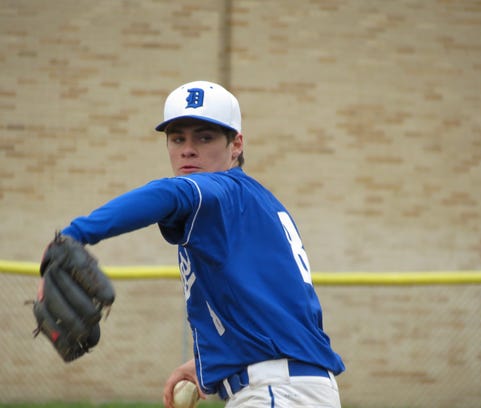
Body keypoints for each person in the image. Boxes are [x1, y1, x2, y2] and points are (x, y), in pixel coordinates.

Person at [40, 80, 345, 407]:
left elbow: (168, 193)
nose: (188, 148)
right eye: (177, 138)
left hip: (277, 393)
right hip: (293, 388)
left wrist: (74, 234)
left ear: (236, 144)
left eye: (205, 137)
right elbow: (273, 318)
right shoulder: (256, 204)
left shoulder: (221, 191)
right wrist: (212, 364)